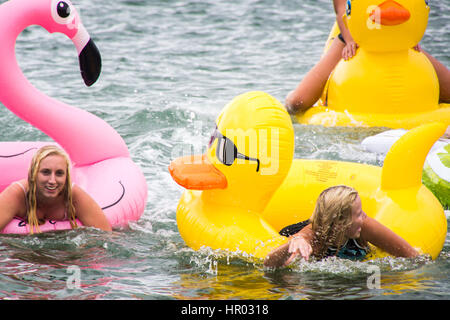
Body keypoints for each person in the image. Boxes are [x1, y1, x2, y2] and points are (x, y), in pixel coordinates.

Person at [285, 0, 450, 115]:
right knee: (297, 103)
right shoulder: (350, 35)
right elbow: (342, 10)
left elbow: (417, 7)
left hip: (398, 41)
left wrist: (411, 36)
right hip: (355, 37)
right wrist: (350, 39)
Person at [264, 185, 418, 268]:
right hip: (293, 230)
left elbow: (413, 257)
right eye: (358, 214)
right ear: (341, 222)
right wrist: (295, 241)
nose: (364, 216)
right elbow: (269, 265)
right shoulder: (316, 234)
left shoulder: (365, 226)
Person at [0, 145, 112, 234]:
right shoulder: (17, 194)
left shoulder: (74, 196)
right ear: (34, 174)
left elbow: (105, 236)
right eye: (46, 172)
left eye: (59, 173)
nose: (52, 181)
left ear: (66, 177)